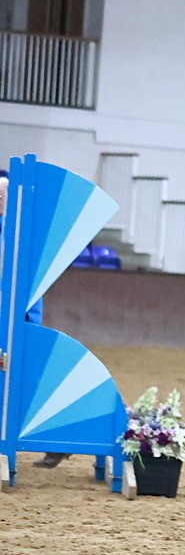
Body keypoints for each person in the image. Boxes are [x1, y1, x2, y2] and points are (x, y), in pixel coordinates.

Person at [1, 170, 66, 469]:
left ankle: (56, 441)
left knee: (30, 382)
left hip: (19, 318)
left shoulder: (19, 230)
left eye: (1, 195)